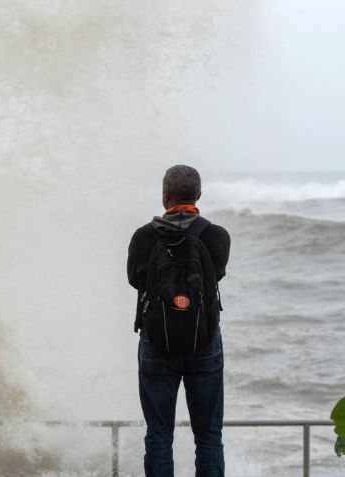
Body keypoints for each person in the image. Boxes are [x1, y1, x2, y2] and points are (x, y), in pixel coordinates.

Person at [127, 165, 231, 476]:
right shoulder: (216, 236)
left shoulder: (144, 237)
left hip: (156, 343)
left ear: (164, 196)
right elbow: (219, 275)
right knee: (209, 437)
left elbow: (136, 280)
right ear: (198, 195)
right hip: (204, 340)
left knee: (159, 436)